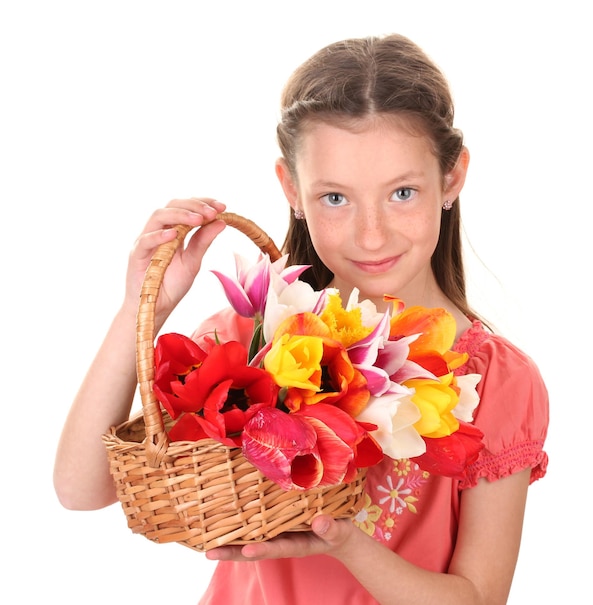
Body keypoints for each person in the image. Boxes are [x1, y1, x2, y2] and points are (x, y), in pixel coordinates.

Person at [54, 33, 549, 605]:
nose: (371, 234)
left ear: (453, 178)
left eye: (403, 192)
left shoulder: (494, 380)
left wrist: (343, 541)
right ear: (291, 188)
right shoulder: (255, 333)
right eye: (335, 198)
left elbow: (478, 598)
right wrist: (141, 308)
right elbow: (82, 487)